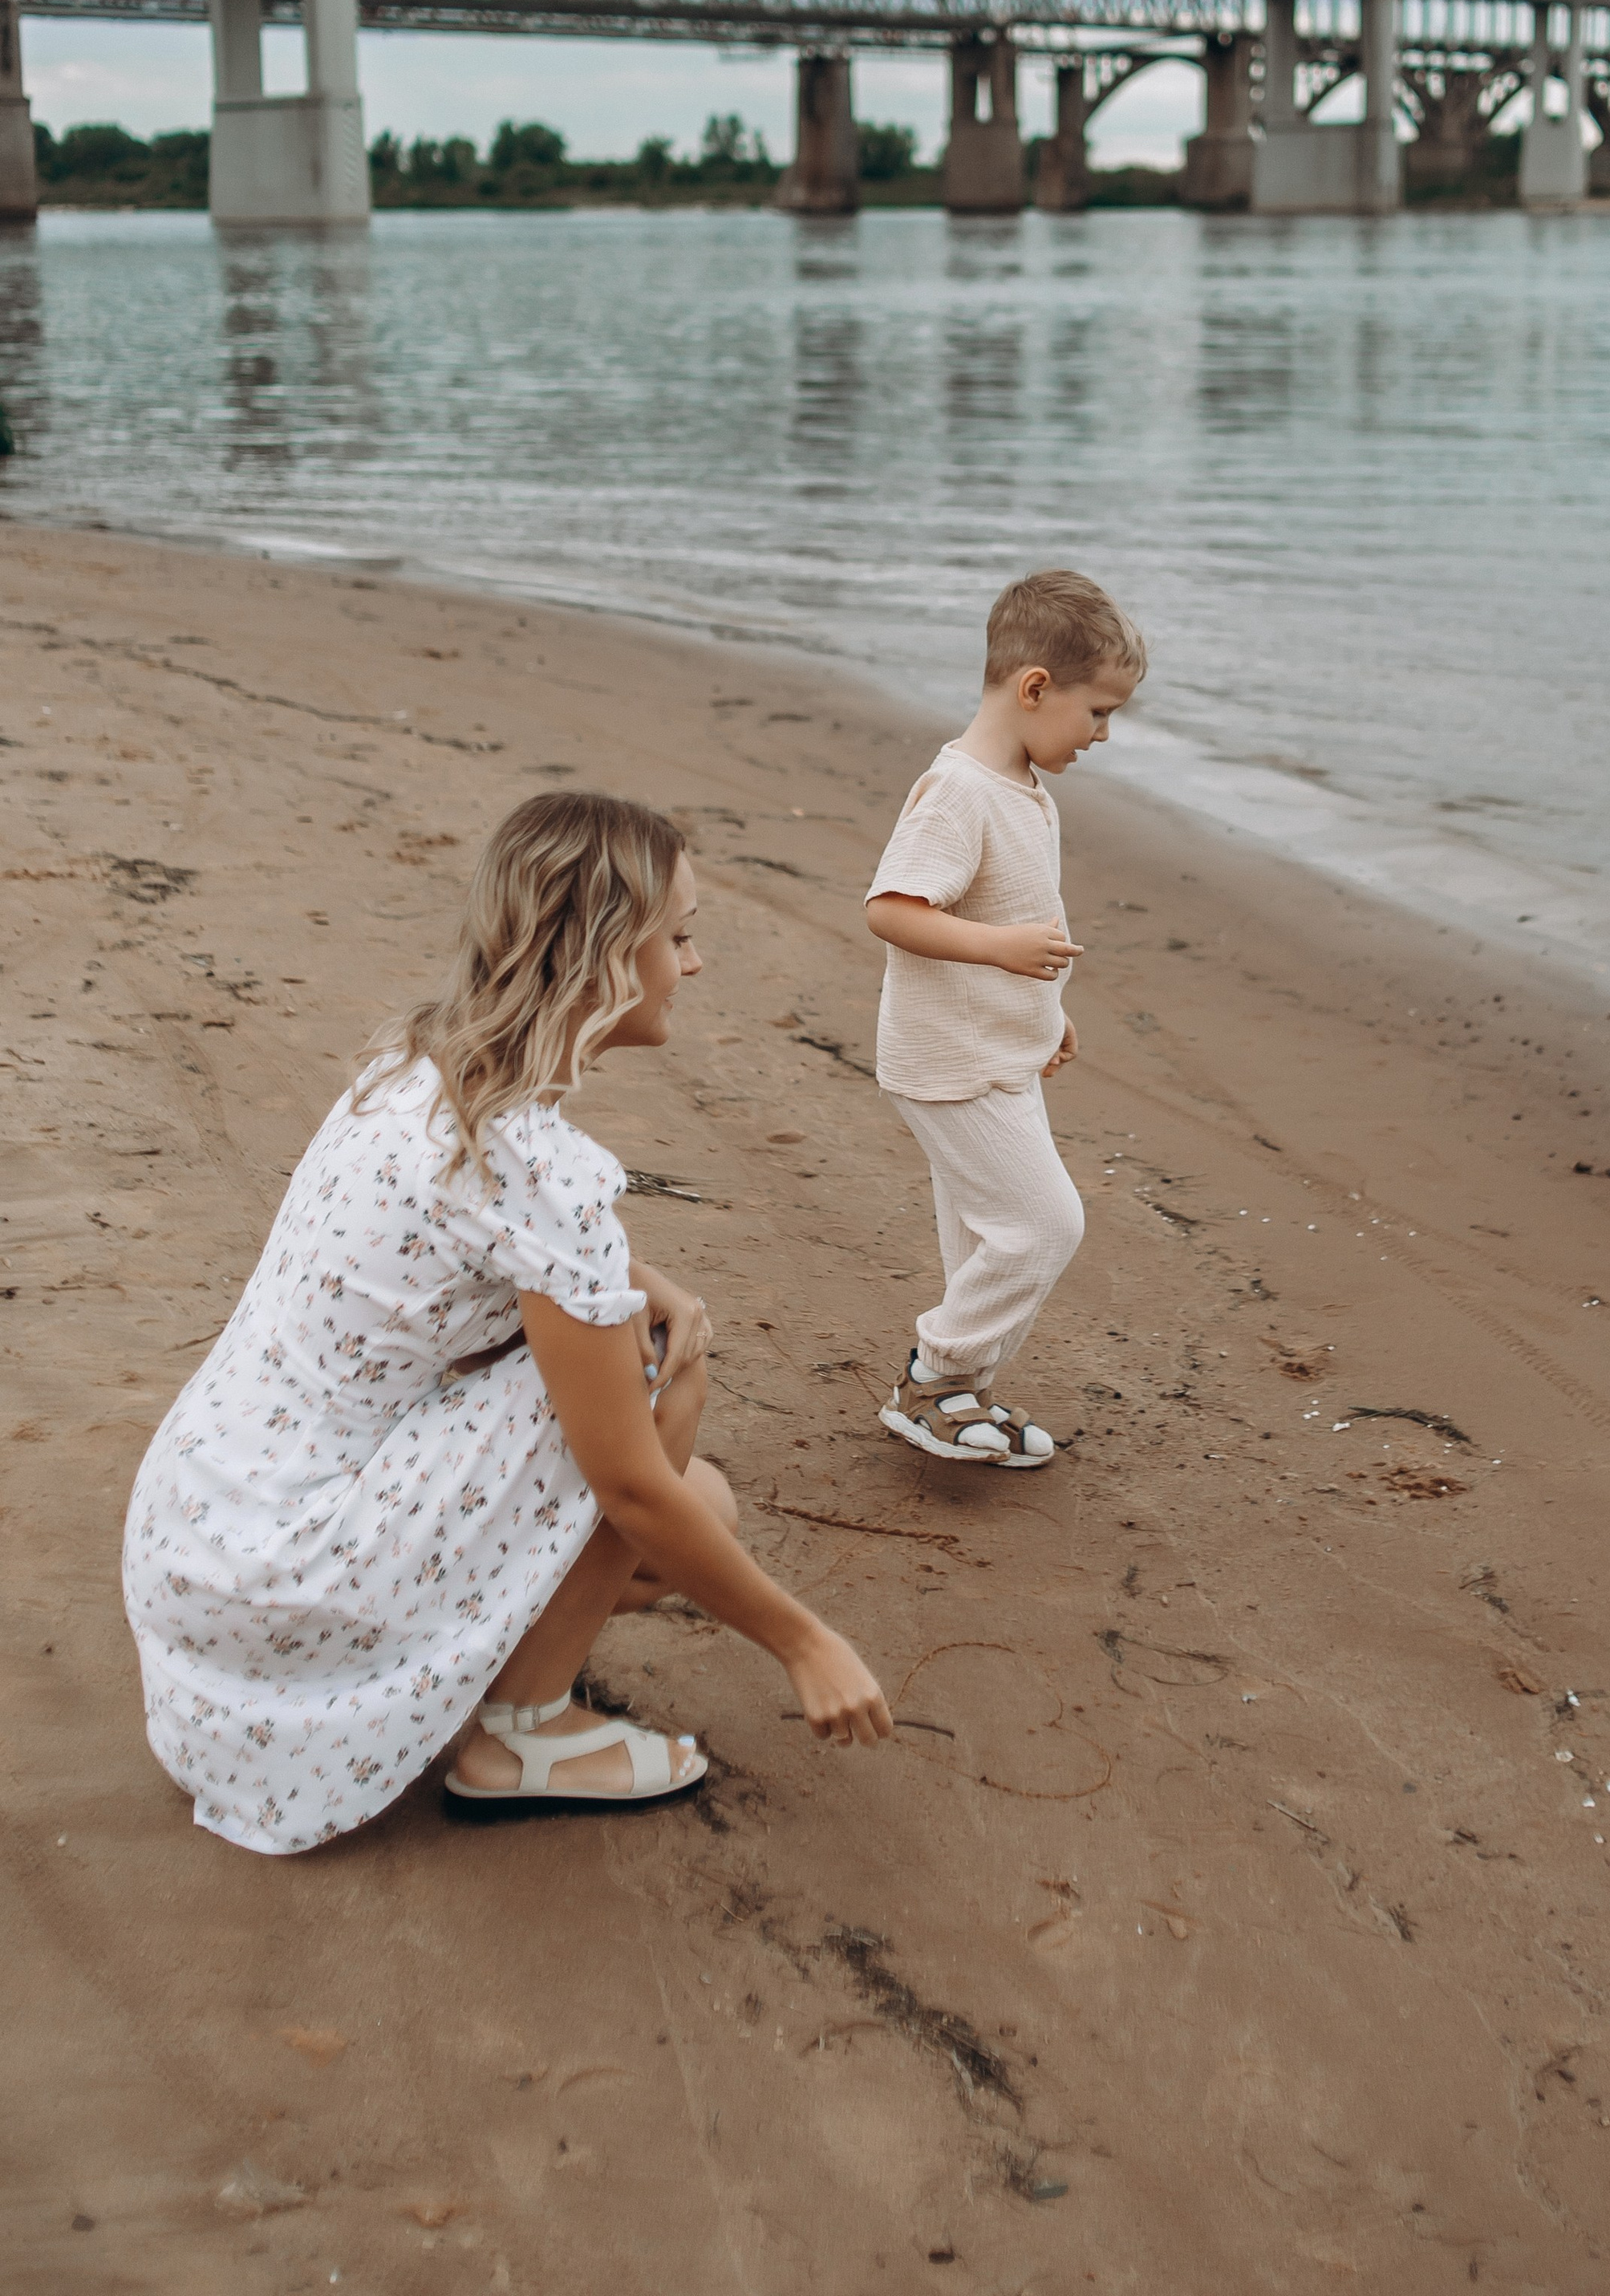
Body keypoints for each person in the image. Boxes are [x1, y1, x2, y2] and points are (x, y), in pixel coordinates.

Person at [123, 791, 891, 1856]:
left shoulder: (414, 1062)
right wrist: (805, 1644)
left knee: (691, 1511)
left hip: (201, 1531)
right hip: (283, 1574)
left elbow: (471, 1242)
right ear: (611, 957)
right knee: (660, 1377)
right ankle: (521, 1733)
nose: (694, 964)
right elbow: (623, 1480)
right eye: (680, 936)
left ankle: (494, 1659)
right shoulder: (538, 1168)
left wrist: (623, 1269)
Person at [864, 570, 1146, 1467]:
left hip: (999, 1052)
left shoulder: (1021, 783)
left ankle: (960, 1392)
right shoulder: (958, 792)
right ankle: (932, 1379)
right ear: (1034, 688)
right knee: (1044, 1227)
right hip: (950, 1064)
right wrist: (1003, 956)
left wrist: (1044, 1009)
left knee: (986, 1238)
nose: (1103, 735)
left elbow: (1014, 912)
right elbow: (893, 909)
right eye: (1097, 712)